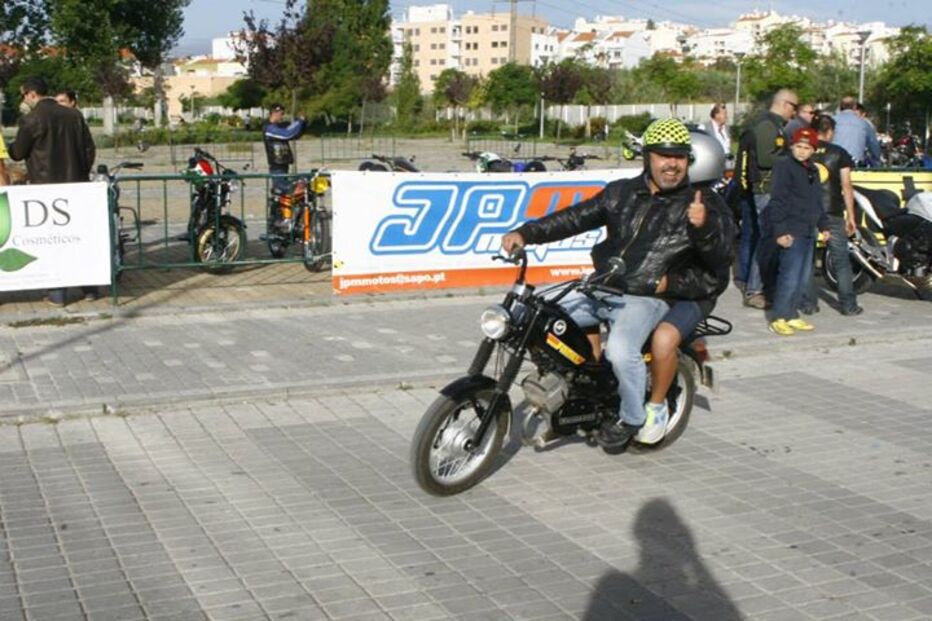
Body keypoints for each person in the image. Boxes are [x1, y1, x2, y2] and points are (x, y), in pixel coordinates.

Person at [501, 119, 733, 448]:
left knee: (622, 352)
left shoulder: (703, 204)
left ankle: (634, 416)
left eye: (679, 157)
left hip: (648, 296)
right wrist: (527, 233)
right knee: (540, 321)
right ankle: (580, 389)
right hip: (607, 285)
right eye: (663, 155)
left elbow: (721, 260)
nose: (671, 164)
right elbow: (575, 217)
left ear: (688, 161)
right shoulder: (620, 193)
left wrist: (703, 229)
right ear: (647, 157)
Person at [9, 77, 97, 306]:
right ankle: (90, 288)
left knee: (53, 241)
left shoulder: (32, 119)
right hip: (77, 186)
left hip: (46, 190)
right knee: (78, 239)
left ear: (31, 94)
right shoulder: (74, 115)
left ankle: (57, 293)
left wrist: (9, 147)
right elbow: (89, 149)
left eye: (23, 95)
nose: (23, 100)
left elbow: (18, 153)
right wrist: (81, 172)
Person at [759, 127, 830, 336]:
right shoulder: (785, 166)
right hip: (791, 229)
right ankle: (779, 316)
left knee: (801, 277)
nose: (801, 151)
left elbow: (817, 201)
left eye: (806, 148)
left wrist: (824, 226)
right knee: (789, 276)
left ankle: (792, 314)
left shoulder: (813, 170)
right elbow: (778, 200)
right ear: (792, 147)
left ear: (813, 150)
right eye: (798, 146)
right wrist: (780, 231)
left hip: (808, 229)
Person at [734, 88, 798, 309]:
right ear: (784, 104)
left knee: (768, 239)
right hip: (765, 189)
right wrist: (793, 157)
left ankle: (762, 286)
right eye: (794, 107)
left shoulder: (774, 125)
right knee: (768, 239)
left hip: (771, 189)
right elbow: (764, 158)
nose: (794, 112)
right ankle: (754, 290)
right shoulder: (767, 126)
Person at [801, 114, 862, 316]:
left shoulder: (804, 151)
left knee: (806, 259)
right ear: (829, 132)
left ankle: (809, 304)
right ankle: (848, 305)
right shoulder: (839, 153)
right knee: (841, 260)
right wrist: (851, 215)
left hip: (808, 211)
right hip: (832, 211)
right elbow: (847, 186)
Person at [263, 103, 305, 193]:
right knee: (283, 188)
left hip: (284, 163)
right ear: (274, 113)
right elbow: (287, 134)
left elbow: (294, 134)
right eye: (281, 114)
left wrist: (303, 124)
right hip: (277, 165)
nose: (282, 116)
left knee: (294, 187)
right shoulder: (269, 128)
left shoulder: (280, 126)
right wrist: (300, 121)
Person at [833, 96, 881, 167]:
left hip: (834, 161)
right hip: (855, 165)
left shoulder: (832, 121)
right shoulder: (863, 123)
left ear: (840, 107)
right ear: (854, 107)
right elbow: (873, 145)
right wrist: (877, 161)